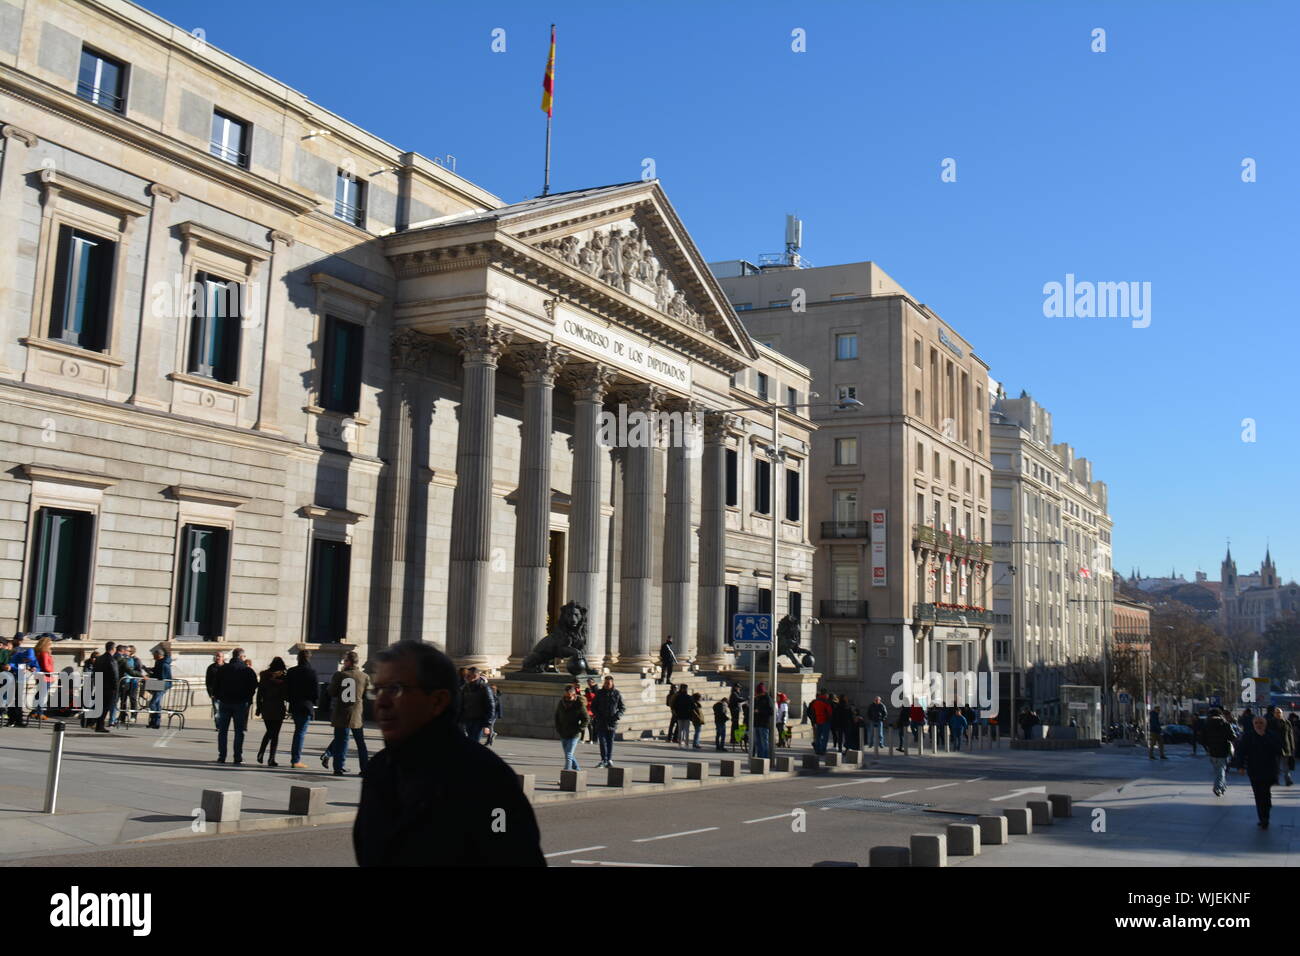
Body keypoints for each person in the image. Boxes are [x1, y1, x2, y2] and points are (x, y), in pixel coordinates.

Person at [353, 640, 544, 866]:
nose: (381, 702)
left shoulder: (487, 779)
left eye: (396, 689)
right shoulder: (380, 769)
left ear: (438, 700)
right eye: (378, 690)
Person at [323, 651, 369, 776]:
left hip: (341, 712)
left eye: (345, 660)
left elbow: (331, 692)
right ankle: (364, 768)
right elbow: (366, 695)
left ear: (349, 662)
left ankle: (338, 767)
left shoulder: (340, 675)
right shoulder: (364, 676)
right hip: (356, 714)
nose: (343, 662)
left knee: (341, 741)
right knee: (360, 743)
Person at [1235, 714, 1283, 828]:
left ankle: (1266, 811)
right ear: (1253, 724)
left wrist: (1265, 738)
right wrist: (1240, 766)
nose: (1259, 725)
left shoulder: (1272, 735)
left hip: (1269, 769)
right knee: (1258, 794)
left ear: (1265, 724)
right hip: (1254, 770)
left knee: (1265, 794)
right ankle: (1263, 818)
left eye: (1261, 723)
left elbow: (1278, 750)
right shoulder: (1248, 736)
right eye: (1256, 723)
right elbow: (1241, 752)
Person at [214, 648, 258, 763]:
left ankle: (222, 755)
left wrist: (219, 696)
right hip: (240, 703)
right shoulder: (247, 670)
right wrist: (248, 698)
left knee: (222, 730)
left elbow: (216, 685)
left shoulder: (223, 669)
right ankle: (237, 756)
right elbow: (253, 686)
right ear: (241, 657)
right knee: (239, 731)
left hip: (225, 702)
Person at [285, 650, 318, 769]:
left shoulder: (292, 671)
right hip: (306, 705)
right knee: (300, 733)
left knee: (298, 731)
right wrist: (313, 702)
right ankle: (296, 759)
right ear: (309, 658)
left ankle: (295, 758)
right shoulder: (312, 672)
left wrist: (291, 700)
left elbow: (286, 689)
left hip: (295, 705)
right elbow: (315, 691)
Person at [255, 656, 288, 766]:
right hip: (278, 707)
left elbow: (259, 694)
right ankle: (271, 758)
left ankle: (261, 752)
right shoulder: (284, 677)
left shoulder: (264, 676)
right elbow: (286, 695)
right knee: (275, 734)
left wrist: (258, 708)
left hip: (266, 706)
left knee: (269, 731)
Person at [591, 675, 625, 767]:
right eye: (605, 683)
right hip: (601, 721)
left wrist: (617, 716)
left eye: (608, 683)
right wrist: (597, 715)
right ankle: (603, 760)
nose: (607, 685)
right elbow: (593, 706)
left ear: (612, 683)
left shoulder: (617, 694)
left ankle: (609, 759)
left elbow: (622, 708)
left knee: (610, 742)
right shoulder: (599, 693)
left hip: (612, 722)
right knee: (602, 741)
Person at [5, 635, 37, 726]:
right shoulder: (17, 656)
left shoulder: (31, 659)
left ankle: (18, 720)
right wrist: (19, 668)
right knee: (12, 700)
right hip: (13, 678)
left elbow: (36, 666)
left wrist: (34, 668)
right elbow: (11, 665)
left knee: (19, 701)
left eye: (28, 660)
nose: (27, 660)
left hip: (22, 680)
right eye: (26, 659)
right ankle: (11, 720)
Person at [1202, 707, 1235, 796]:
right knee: (1221, 769)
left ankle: (1223, 787)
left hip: (1212, 750)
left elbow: (1201, 739)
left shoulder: (1206, 725)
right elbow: (1233, 737)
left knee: (1218, 770)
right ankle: (1218, 787)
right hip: (1223, 750)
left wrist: (1207, 746)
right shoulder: (1225, 724)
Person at [458, 666, 494, 745]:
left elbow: (491, 707)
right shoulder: (465, 688)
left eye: (468, 676)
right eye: (466, 676)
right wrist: (459, 719)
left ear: (475, 676)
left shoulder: (484, 688)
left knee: (474, 741)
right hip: (467, 719)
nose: (466, 677)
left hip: (479, 720)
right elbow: (461, 704)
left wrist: (487, 725)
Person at [555, 684, 587, 770]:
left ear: (574, 695)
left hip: (574, 734)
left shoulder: (579, 704)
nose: (566, 698)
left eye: (569, 697)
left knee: (568, 755)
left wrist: (579, 729)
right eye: (565, 696)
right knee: (569, 754)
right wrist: (558, 728)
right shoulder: (561, 703)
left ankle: (566, 775)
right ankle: (578, 770)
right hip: (563, 733)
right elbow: (557, 716)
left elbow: (586, 719)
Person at [91, 642, 120, 732]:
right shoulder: (112, 660)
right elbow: (115, 675)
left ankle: (93, 722)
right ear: (113, 649)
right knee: (105, 707)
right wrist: (116, 687)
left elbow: (94, 672)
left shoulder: (99, 659)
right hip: (109, 687)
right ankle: (99, 725)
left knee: (99, 706)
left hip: (100, 684)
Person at [146, 647, 173, 729]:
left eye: (154, 655)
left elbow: (161, 676)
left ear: (158, 655)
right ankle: (154, 722)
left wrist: (150, 676)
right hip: (159, 684)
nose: (153, 657)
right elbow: (157, 672)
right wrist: (150, 671)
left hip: (162, 685)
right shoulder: (159, 662)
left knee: (153, 703)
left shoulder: (164, 664)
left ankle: (156, 721)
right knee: (156, 704)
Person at [1267, 706, 1294, 786]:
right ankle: (1276, 779)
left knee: (1286, 765)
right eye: (1276, 713)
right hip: (1275, 746)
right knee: (1276, 765)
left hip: (1286, 746)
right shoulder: (1270, 722)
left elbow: (1290, 735)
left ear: (1282, 713)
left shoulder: (1287, 722)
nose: (1278, 714)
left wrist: (1292, 746)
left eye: (1280, 713)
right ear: (1274, 714)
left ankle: (1288, 780)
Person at [752, 683, 774, 759]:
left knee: (764, 743)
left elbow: (771, 711)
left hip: (764, 724)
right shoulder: (757, 698)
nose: (757, 694)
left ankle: (765, 759)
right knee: (758, 743)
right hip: (757, 723)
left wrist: (759, 711)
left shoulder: (767, 699)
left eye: (758, 693)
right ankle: (759, 759)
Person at [205, 651, 225, 731]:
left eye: (220, 656)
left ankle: (223, 725)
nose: (218, 658)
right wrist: (210, 693)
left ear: (223, 658)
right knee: (217, 710)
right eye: (217, 656)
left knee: (224, 710)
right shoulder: (211, 667)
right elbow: (208, 681)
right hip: (215, 693)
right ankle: (218, 726)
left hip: (225, 693)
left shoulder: (227, 667)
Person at [809, 690, 833, 755]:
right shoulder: (826, 702)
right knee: (825, 737)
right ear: (825, 694)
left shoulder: (815, 702)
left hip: (817, 720)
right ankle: (823, 750)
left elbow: (812, 712)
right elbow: (829, 712)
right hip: (825, 721)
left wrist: (814, 721)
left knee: (818, 736)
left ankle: (817, 749)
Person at [672, 683, 695, 748]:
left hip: (679, 715)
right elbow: (693, 707)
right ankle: (686, 743)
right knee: (686, 730)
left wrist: (676, 713)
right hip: (687, 716)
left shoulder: (678, 697)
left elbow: (674, 707)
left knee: (680, 730)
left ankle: (680, 742)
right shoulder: (688, 697)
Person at [583, 678, 598, 743]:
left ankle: (594, 739)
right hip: (592, 710)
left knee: (593, 725)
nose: (589, 684)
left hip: (592, 710)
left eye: (590, 682)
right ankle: (593, 739)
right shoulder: (592, 689)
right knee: (592, 725)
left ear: (593, 682)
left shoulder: (595, 689)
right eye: (588, 682)